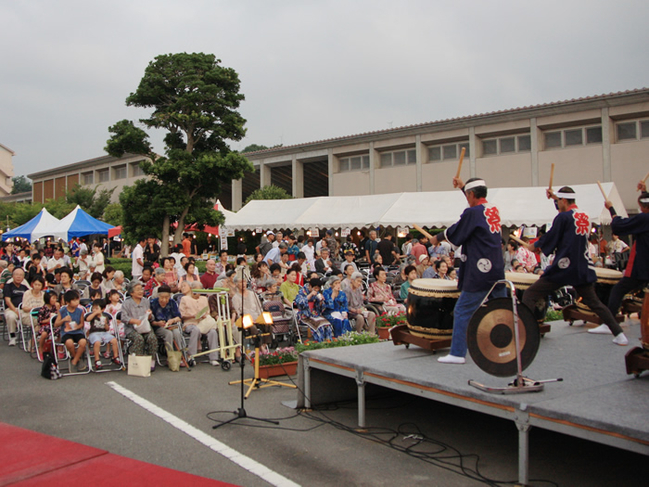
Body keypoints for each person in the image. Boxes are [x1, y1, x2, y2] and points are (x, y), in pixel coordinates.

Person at [520, 186, 627, 346]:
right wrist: (554, 197)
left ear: (563, 201)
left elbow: (554, 233)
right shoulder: (583, 216)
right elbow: (564, 222)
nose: (557, 204)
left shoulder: (564, 217)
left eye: (558, 201)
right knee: (594, 302)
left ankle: (527, 333)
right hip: (582, 267)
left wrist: (535, 246)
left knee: (530, 294)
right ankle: (619, 334)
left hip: (564, 268)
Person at [431, 177, 506, 364]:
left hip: (480, 271)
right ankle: (507, 346)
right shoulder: (492, 209)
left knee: (463, 310)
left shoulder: (472, 212)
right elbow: (474, 208)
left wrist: (438, 237)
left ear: (471, 195)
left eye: (467, 194)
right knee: (501, 311)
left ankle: (457, 353)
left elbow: (457, 232)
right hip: (496, 268)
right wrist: (463, 186)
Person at [603, 181, 649, 324]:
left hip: (643, 265)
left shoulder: (644, 218)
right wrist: (644, 192)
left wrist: (611, 209)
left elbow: (618, 226)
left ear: (642, 207)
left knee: (618, 289)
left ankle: (609, 324)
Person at [179, 281, 220, 366]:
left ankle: (214, 357)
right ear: (191, 289)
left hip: (203, 322)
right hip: (190, 323)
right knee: (195, 329)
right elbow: (182, 315)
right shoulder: (185, 299)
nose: (198, 293)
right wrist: (192, 316)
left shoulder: (204, 299)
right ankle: (191, 355)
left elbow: (207, 312)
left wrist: (204, 315)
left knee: (212, 331)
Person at [121, 281, 157, 370]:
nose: (141, 291)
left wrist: (149, 315)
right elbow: (124, 318)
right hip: (131, 328)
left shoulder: (145, 302)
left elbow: (151, 318)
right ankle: (138, 361)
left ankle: (151, 360)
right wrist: (134, 321)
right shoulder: (127, 303)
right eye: (138, 290)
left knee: (152, 338)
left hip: (145, 327)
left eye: (141, 289)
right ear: (131, 293)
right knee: (139, 339)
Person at [54, 290, 88, 372]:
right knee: (69, 343)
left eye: (77, 299)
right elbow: (56, 324)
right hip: (66, 332)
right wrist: (63, 320)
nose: (76, 302)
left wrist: (77, 327)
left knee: (83, 342)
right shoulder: (62, 311)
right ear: (68, 302)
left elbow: (82, 324)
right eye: (74, 300)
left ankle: (74, 361)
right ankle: (76, 358)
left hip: (77, 331)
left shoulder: (80, 311)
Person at [85, 298, 121, 369]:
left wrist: (105, 324)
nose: (94, 310)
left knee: (114, 340)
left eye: (96, 308)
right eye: (93, 308)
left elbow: (107, 329)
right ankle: (97, 360)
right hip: (94, 333)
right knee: (97, 342)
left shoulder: (105, 317)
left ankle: (115, 357)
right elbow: (87, 319)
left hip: (104, 332)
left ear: (102, 309)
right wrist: (94, 313)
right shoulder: (92, 316)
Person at [150, 285, 184, 357]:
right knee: (168, 334)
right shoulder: (153, 303)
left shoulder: (172, 302)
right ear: (158, 296)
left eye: (167, 297)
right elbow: (151, 321)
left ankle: (180, 355)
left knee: (177, 333)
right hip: (158, 327)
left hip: (171, 325)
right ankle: (170, 356)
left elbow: (179, 317)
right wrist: (158, 323)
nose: (164, 300)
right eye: (162, 297)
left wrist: (173, 320)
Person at [295, 278, 333, 342]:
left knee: (327, 325)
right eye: (315, 288)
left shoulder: (317, 293)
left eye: (318, 288)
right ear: (310, 286)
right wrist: (310, 295)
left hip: (315, 314)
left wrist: (321, 302)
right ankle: (319, 343)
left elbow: (320, 308)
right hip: (305, 315)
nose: (316, 290)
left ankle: (328, 342)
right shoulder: (302, 292)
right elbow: (299, 303)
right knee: (319, 326)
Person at [37, 290, 60, 358]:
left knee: (61, 331)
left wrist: (58, 308)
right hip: (45, 326)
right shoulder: (43, 309)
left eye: (56, 298)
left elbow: (59, 316)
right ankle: (41, 349)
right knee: (44, 334)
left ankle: (58, 349)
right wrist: (49, 319)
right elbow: (40, 321)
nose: (55, 300)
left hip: (54, 325)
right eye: (53, 298)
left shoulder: (55, 307)